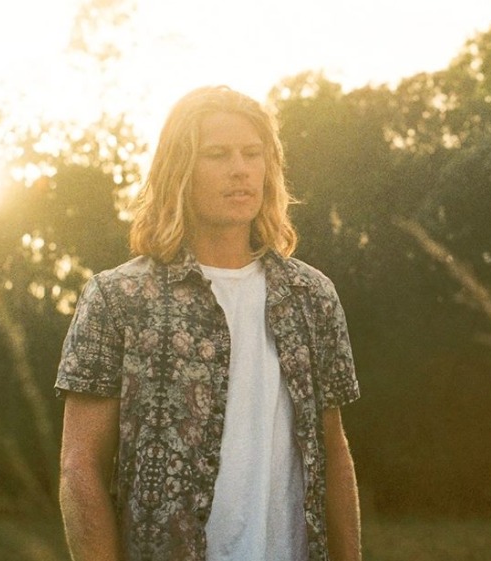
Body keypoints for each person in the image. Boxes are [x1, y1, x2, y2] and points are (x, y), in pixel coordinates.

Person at [56, 85, 361, 561]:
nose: (241, 169)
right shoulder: (118, 299)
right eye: (218, 154)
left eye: (252, 154)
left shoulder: (311, 296)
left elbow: (333, 452)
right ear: (179, 170)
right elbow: (81, 468)